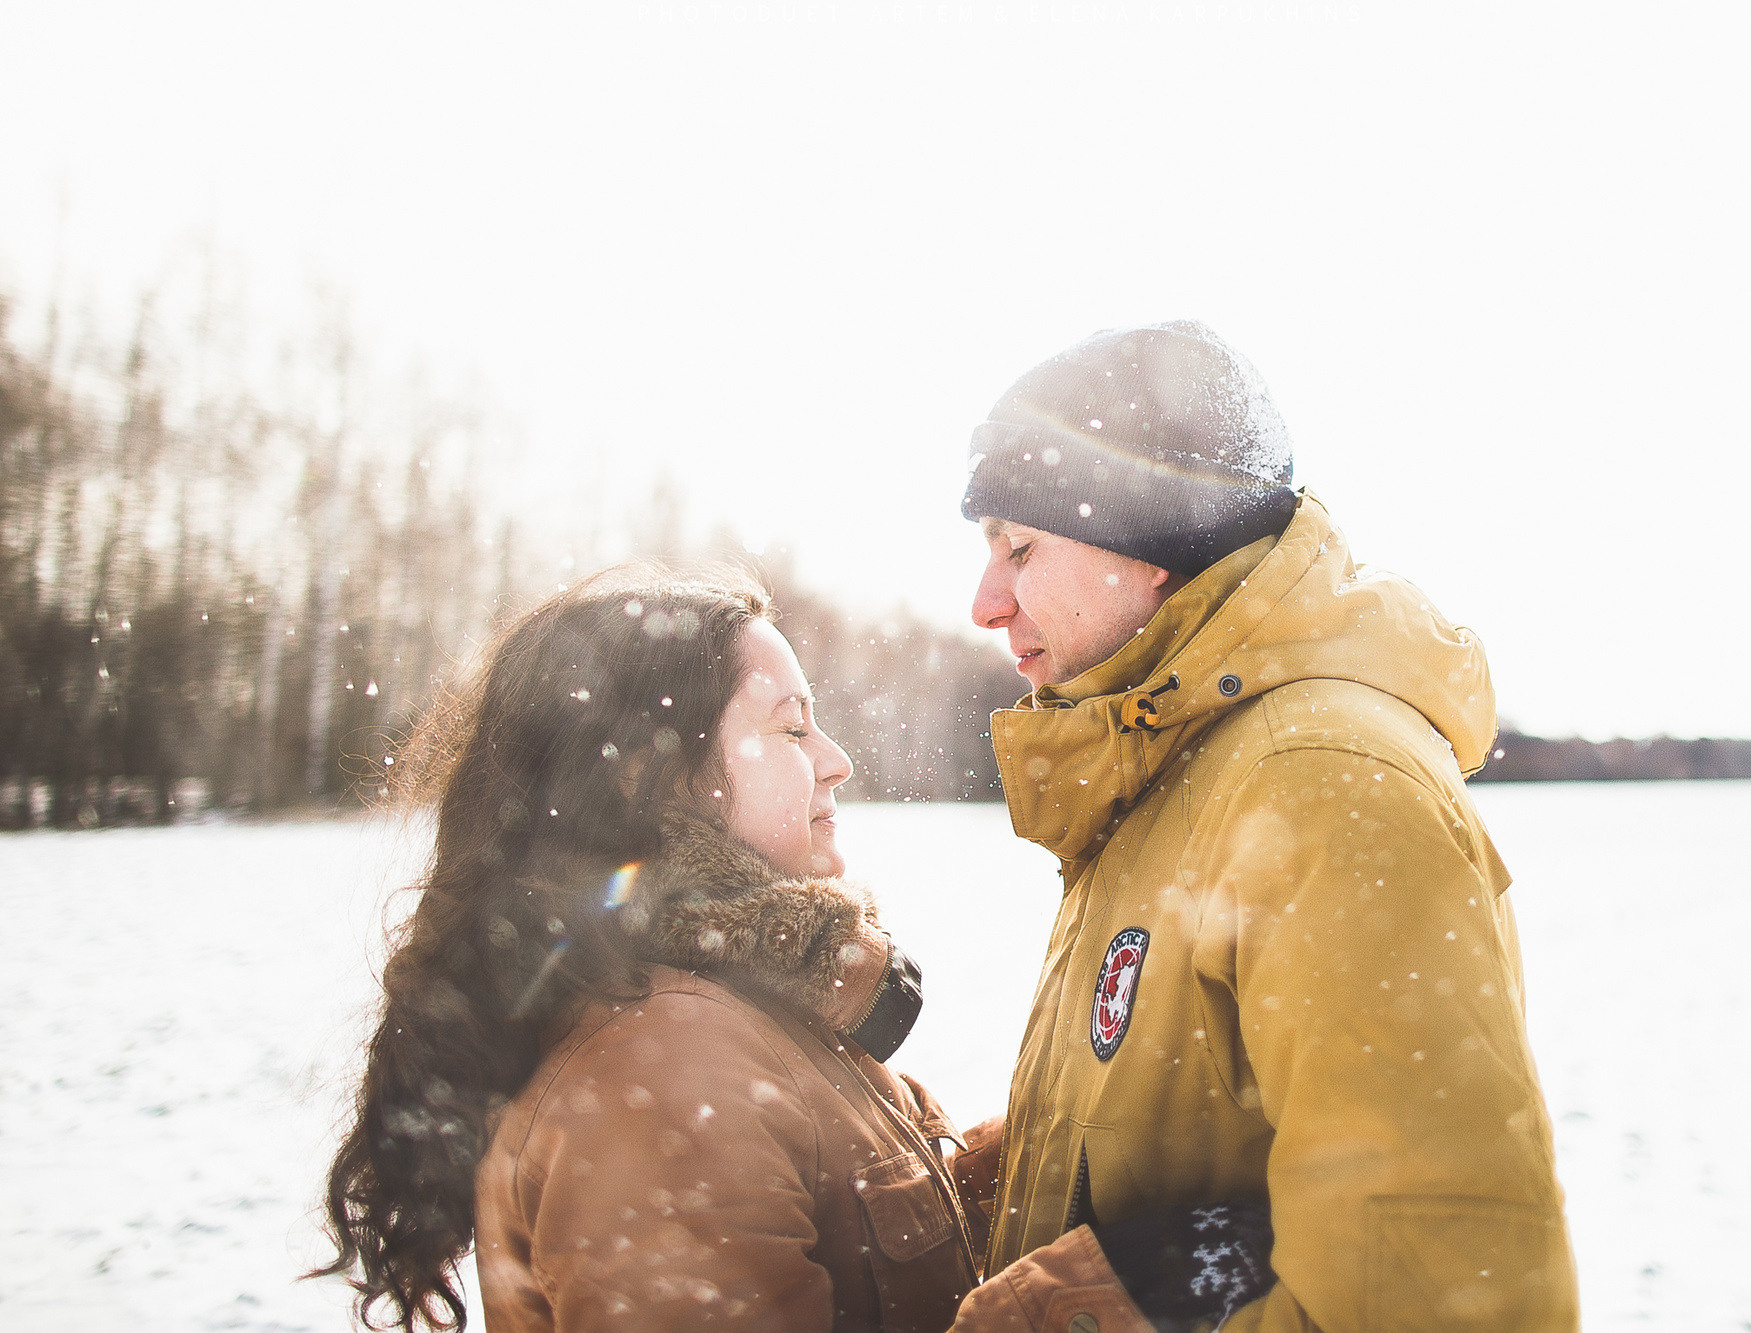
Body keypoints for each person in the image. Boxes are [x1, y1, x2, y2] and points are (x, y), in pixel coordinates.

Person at [949, 322, 1580, 1331]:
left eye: (1018, 548)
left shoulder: (1320, 780)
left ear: (1148, 538)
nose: (985, 602)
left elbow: (1435, 1294)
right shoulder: (1163, 770)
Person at [315, 569, 978, 1333]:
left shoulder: (740, 997)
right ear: (646, 774)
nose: (836, 760)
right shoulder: (660, 1064)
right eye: (793, 729)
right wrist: (1072, 1302)